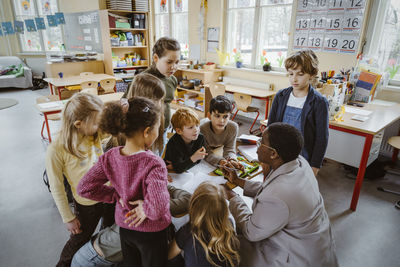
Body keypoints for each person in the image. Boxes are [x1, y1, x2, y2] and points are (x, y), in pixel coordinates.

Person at [223, 123, 338, 267]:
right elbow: (270, 188)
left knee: (226, 245)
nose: (258, 147)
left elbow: (251, 231)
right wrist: (239, 181)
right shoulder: (300, 163)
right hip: (315, 245)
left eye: (261, 142)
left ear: (273, 154)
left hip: (297, 257)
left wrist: (233, 197)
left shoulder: (278, 195)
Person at [77, 97, 171, 267]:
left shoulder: (110, 157)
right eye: (158, 128)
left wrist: (115, 195)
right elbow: (157, 208)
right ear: (147, 131)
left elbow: (84, 188)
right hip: (151, 233)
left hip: (125, 227)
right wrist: (145, 208)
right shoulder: (154, 163)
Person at [45, 93, 114, 267]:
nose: (100, 126)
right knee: (79, 239)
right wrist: (67, 217)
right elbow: (56, 186)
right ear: (78, 124)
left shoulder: (93, 133)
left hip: (109, 196)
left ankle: (102, 260)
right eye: (97, 122)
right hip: (87, 205)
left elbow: (112, 128)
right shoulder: (57, 148)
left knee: (108, 232)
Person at [71, 186, 192, 267]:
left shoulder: (143, 201)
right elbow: (188, 200)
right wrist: (166, 188)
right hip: (89, 262)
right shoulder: (147, 212)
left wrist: (163, 185)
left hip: (97, 254)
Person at [267, 50, 329, 177]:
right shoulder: (281, 96)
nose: (294, 79)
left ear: (311, 74)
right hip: (279, 155)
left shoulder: (319, 102)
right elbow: (270, 128)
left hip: (303, 158)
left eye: (300, 74)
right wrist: (267, 154)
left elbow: (322, 138)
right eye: (290, 74)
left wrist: (315, 166)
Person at [168, 181, 240, 267]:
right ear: (224, 209)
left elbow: (168, 255)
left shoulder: (187, 231)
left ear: (193, 206)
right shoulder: (229, 224)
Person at [124, 37, 180, 133]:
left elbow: (167, 104)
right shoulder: (141, 80)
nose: (173, 67)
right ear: (156, 58)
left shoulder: (173, 79)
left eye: (177, 62)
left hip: (164, 128)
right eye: (169, 62)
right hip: (145, 132)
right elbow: (126, 103)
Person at [108, 73, 166, 154]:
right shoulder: (125, 124)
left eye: (161, 100)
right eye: (157, 99)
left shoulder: (158, 117)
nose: (160, 104)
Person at [200, 95, 243, 170]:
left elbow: (229, 149)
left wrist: (232, 160)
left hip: (217, 147)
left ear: (230, 117)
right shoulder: (202, 128)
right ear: (209, 116)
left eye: (225, 116)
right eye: (217, 116)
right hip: (206, 147)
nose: (221, 121)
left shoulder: (233, 127)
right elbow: (206, 153)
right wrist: (220, 161)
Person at [164, 107, 206, 173]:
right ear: (179, 131)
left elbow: (198, 160)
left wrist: (183, 165)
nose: (196, 130)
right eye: (191, 127)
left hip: (188, 170)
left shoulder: (200, 138)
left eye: (197, 125)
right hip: (170, 171)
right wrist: (193, 158)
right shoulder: (173, 143)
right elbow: (178, 170)